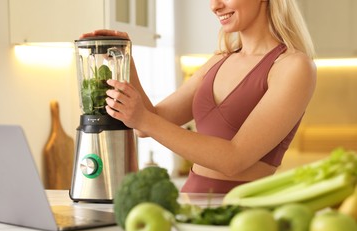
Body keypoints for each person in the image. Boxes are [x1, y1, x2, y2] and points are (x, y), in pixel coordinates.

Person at [81, 0, 317, 194]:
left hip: (245, 214)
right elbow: (150, 122)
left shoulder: (293, 66)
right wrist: (125, 59)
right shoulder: (219, 60)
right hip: (189, 206)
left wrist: (143, 119)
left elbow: (234, 159)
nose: (214, 6)